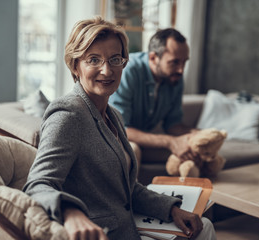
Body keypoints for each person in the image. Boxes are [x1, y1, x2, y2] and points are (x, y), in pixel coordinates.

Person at [23, 17, 216, 240]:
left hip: (127, 226)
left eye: (115, 59)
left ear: (124, 62)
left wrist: (171, 209)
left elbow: (127, 189)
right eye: (93, 60)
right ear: (75, 65)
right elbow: (37, 185)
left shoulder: (112, 115)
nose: (106, 71)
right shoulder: (68, 115)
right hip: (102, 233)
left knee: (203, 225)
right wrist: (71, 212)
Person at [108, 28, 199, 166]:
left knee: (193, 151)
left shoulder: (175, 77)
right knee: (133, 150)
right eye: (174, 62)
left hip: (143, 139)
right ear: (153, 58)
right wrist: (169, 141)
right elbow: (120, 129)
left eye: (184, 62)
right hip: (115, 138)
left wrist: (195, 134)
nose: (181, 70)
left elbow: (172, 124)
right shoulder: (128, 71)